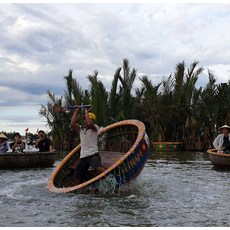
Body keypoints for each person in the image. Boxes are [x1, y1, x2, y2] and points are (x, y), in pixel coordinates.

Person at [71, 106, 105, 184]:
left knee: (98, 169)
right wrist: (76, 111)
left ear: (91, 119)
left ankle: (110, 176)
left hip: (93, 155)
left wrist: (86, 112)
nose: (85, 120)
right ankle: (80, 189)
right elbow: (72, 124)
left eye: (86, 118)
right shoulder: (80, 129)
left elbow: (90, 124)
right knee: (77, 178)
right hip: (83, 157)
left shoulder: (95, 128)